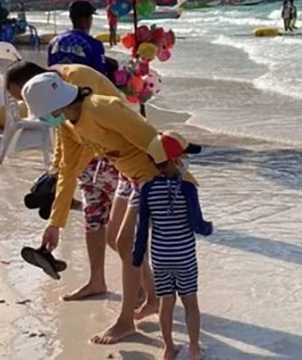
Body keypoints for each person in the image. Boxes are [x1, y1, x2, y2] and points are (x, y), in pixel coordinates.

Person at [21, 72, 196, 345]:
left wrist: (178, 186)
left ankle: (125, 322)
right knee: (114, 239)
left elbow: (153, 140)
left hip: (153, 178)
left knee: (128, 245)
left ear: (55, 106)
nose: (44, 121)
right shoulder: (66, 124)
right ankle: (152, 299)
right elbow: (68, 169)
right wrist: (55, 223)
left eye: (43, 116)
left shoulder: (102, 108)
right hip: (128, 176)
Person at [5, 62, 157, 305]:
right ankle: (98, 281)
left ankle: (143, 289)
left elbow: (93, 127)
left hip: (117, 159)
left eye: (26, 96)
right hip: (87, 161)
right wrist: (55, 219)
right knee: (93, 218)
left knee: (123, 234)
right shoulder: (59, 111)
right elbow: (66, 140)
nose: (28, 104)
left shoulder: (77, 82)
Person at [134, 132, 211, 360]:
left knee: (166, 303)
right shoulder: (188, 188)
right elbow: (196, 224)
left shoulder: (147, 189)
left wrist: (137, 257)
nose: (186, 159)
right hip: (184, 257)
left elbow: (142, 229)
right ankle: (194, 349)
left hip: (160, 257)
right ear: (175, 160)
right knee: (190, 302)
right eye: (184, 156)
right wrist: (209, 228)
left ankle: (168, 348)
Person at [48, 0, 111, 77]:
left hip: (57, 82)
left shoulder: (54, 42)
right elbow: (100, 74)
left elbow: (50, 68)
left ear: (70, 17)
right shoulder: (94, 44)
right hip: (83, 83)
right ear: (88, 19)